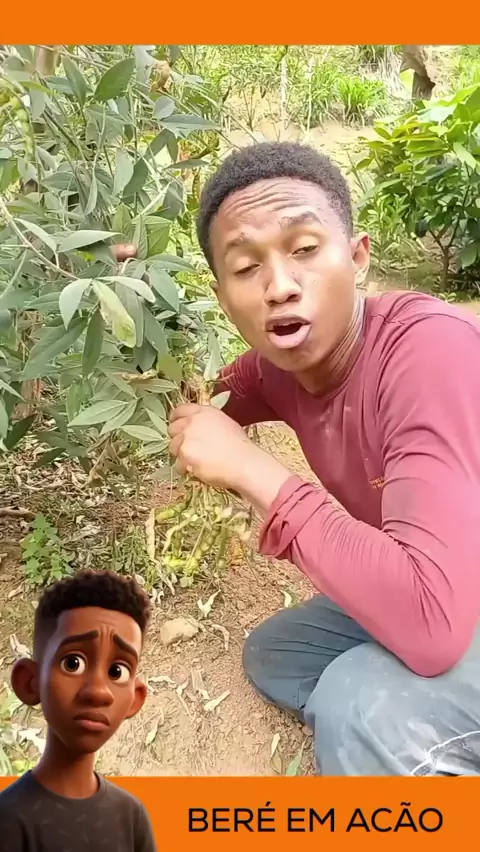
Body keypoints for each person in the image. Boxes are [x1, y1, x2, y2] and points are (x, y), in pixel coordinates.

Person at [167, 141, 480, 776]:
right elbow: (198, 402)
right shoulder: (275, 371)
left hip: (448, 591)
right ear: (223, 297)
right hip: (438, 575)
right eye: (246, 267)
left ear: (358, 258)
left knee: (357, 705)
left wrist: (256, 473)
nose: (280, 286)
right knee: (277, 656)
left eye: (305, 249)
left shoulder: (432, 351)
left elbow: (432, 626)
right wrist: (137, 310)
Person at [0, 569, 157, 851]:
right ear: (30, 682)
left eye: (117, 671)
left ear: (135, 698)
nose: (98, 691)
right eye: (73, 663)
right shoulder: (9, 819)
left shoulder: (131, 817)